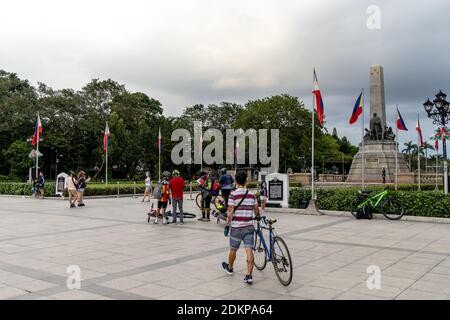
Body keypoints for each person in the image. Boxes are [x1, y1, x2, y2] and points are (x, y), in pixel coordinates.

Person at [222, 170, 260, 284]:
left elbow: (230, 212)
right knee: (249, 250)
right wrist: (257, 216)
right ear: (246, 181)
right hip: (249, 227)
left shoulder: (233, 194)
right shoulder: (252, 194)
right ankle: (249, 275)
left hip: (236, 227)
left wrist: (227, 225)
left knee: (233, 249)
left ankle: (230, 268)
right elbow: (256, 210)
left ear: (236, 181)